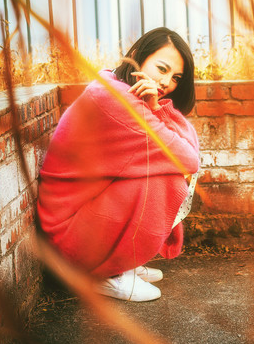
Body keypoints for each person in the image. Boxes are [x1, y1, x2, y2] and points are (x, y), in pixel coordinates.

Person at [37, 28, 200, 302]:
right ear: (136, 57)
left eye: (176, 78)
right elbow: (189, 160)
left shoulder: (116, 88)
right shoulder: (116, 101)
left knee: (162, 172)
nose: (166, 82)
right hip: (69, 239)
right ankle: (105, 273)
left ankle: (118, 260)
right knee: (166, 180)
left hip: (76, 223)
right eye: (162, 68)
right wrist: (157, 109)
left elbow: (189, 152)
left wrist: (154, 105)